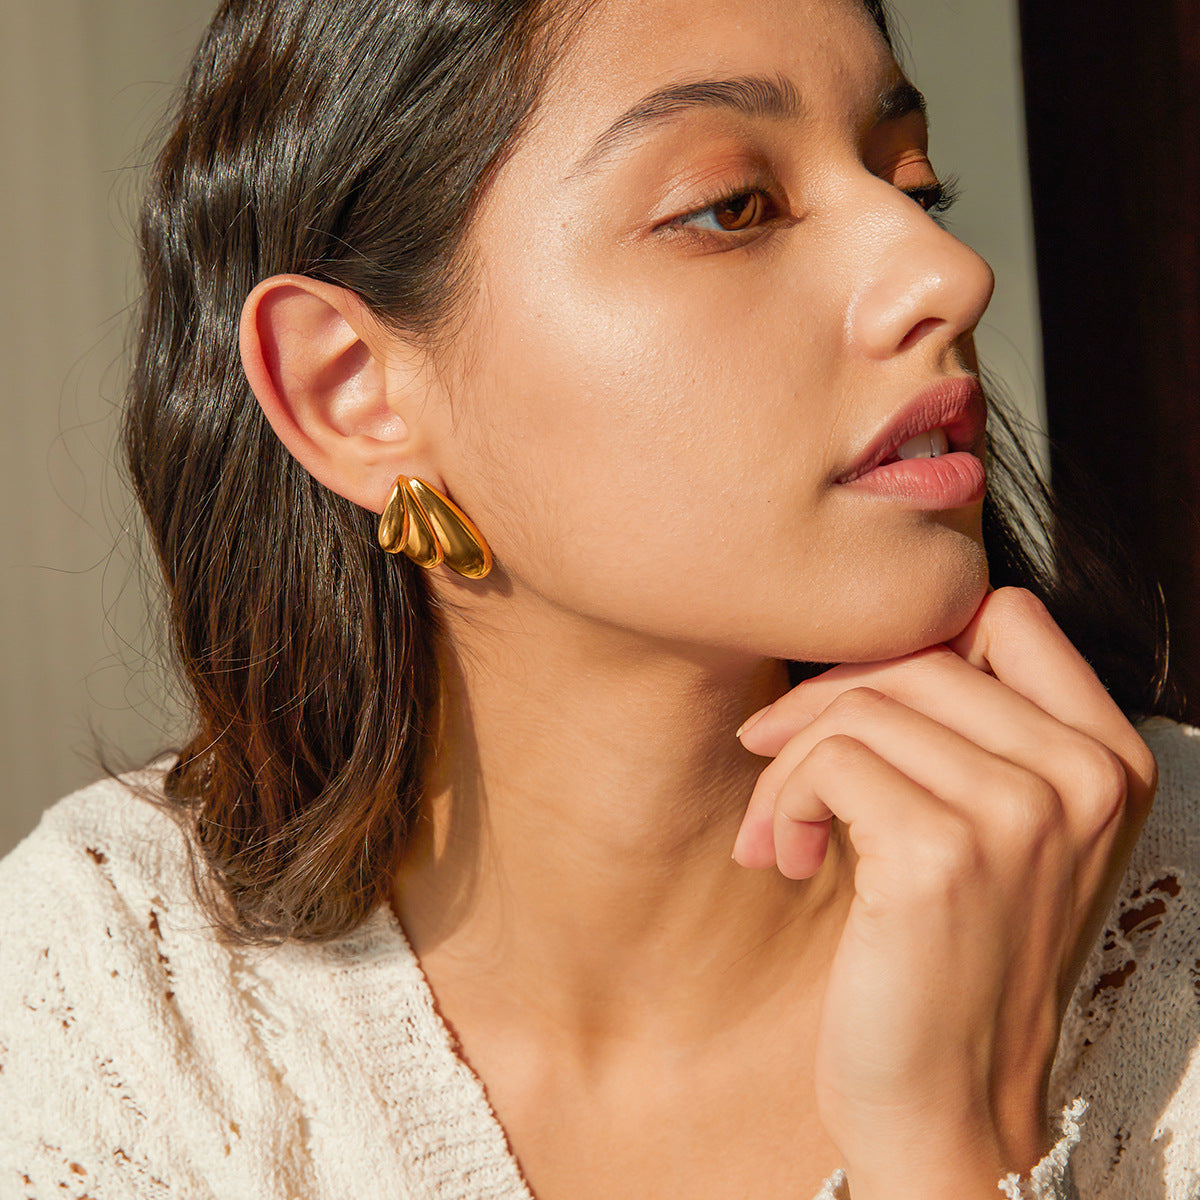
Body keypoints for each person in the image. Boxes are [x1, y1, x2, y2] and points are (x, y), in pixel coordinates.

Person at [1, 0, 1197, 1196]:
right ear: (350, 390)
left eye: (911, 183)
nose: (948, 272)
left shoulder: (1171, 936)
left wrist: (948, 1138)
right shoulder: (110, 1004)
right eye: (733, 207)